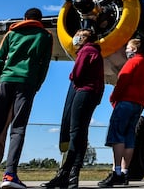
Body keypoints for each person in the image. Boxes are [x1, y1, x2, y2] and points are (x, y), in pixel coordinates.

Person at [0, 8, 52, 189]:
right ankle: (9, 174)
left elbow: (0, 59)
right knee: (18, 127)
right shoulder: (45, 36)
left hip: (6, 82)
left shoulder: (11, 33)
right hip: (27, 83)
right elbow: (44, 63)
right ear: (40, 19)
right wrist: (36, 85)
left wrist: (0, 81)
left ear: (25, 18)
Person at [41, 28, 104, 189]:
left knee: (75, 133)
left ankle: (65, 174)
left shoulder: (85, 51)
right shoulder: (96, 52)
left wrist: (72, 77)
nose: (75, 38)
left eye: (78, 35)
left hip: (82, 92)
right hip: (91, 95)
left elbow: (75, 75)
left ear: (84, 38)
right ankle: (72, 174)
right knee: (81, 133)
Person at [98, 38, 144, 188]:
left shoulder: (132, 62)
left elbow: (122, 80)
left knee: (117, 135)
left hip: (125, 102)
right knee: (129, 138)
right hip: (138, 104)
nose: (125, 49)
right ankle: (125, 172)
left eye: (128, 47)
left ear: (134, 49)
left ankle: (116, 171)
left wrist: (113, 97)